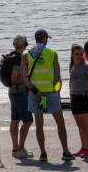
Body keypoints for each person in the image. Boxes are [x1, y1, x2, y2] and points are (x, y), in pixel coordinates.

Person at [26, 29, 71, 163]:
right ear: (45, 39)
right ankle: (65, 151)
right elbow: (57, 75)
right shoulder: (52, 53)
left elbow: (24, 76)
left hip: (36, 94)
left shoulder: (27, 54)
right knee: (60, 123)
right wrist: (53, 90)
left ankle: (43, 153)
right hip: (49, 93)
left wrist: (35, 91)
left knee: (39, 125)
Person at [0, 35, 33, 159]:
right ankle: (20, 149)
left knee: (15, 120)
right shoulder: (19, 59)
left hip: (12, 93)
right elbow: (15, 78)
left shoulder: (11, 57)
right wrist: (28, 79)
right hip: (20, 94)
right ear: (24, 45)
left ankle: (15, 149)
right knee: (28, 121)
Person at [67, 44, 88, 158]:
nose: (79, 56)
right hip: (75, 98)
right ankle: (84, 147)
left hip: (85, 97)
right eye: (76, 54)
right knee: (80, 125)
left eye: (80, 54)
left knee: (87, 125)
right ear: (72, 55)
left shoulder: (87, 66)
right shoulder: (72, 66)